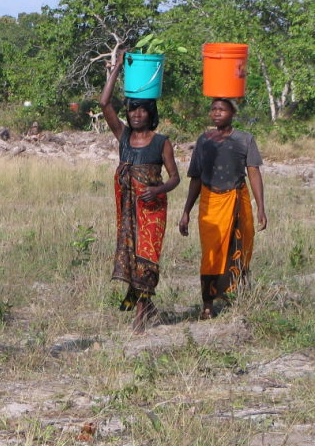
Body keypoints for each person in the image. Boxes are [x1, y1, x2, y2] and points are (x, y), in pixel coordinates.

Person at [99, 49, 180, 333]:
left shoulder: (161, 142)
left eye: (142, 109)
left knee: (148, 258)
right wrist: (118, 67)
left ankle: (141, 315)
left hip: (152, 208)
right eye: (132, 109)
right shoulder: (123, 136)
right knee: (132, 256)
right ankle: (147, 307)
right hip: (128, 208)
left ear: (151, 113)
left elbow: (175, 178)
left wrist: (158, 190)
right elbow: (104, 102)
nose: (136, 114)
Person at [179, 98, 266, 320]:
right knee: (210, 251)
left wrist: (261, 208)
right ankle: (207, 305)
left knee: (240, 247)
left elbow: (254, 173)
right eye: (213, 109)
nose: (217, 113)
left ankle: (236, 298)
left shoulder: (244, 139)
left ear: (233, 113)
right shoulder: (204, 140)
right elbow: (196, 177)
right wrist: (186, 211)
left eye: (222, 109)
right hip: (210, 201)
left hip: (237, 199)